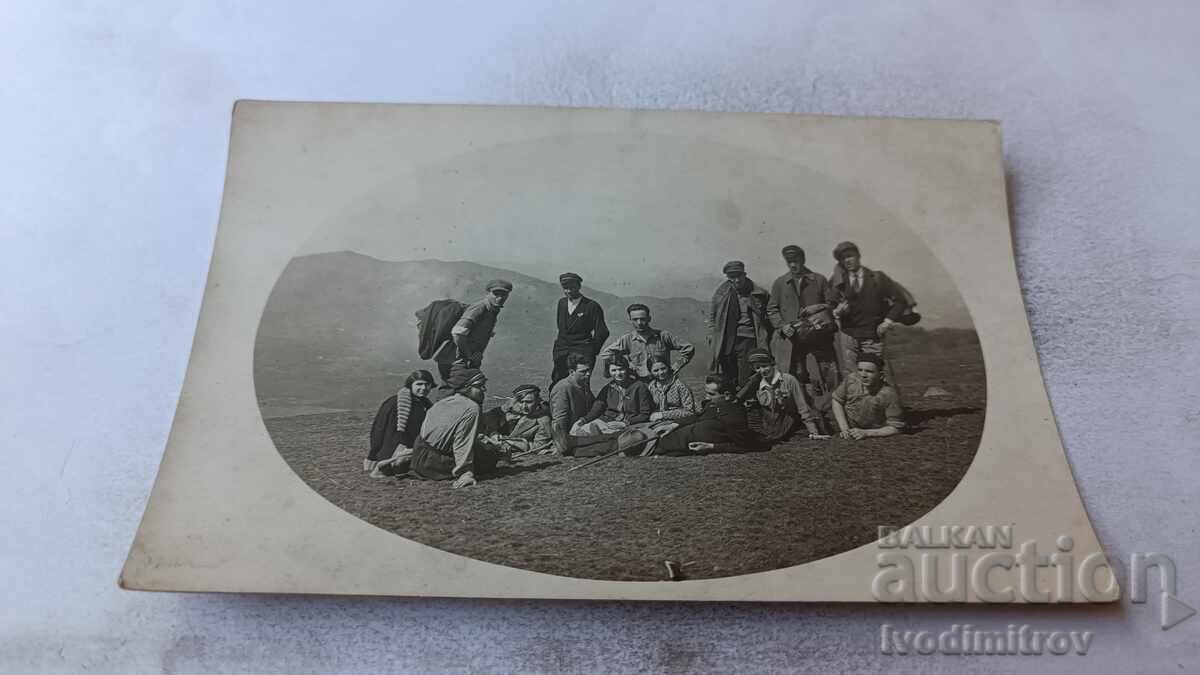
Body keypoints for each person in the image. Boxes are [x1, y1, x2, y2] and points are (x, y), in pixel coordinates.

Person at [766, 245, 840, 428]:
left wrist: (819, 307)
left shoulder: (819, 280)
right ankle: (805, 416)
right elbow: (772, 309)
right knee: (798, 375)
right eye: (789, 262)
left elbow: (833, 303)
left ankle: (829, 414)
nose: (793, 265)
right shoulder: (780, 283)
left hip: (818, 338)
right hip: (793, 341)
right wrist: (782, 326)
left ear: (803, 260)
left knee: (824, 374)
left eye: (796, 261)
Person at [828, 242, 911, 395]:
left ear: (858, 256)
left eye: (850, 256)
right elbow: (829, 305)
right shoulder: (837, 281)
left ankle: (882, 406)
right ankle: (858, 407)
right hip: (848, 336)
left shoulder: (877, 278)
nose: (848, 260)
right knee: (852, 376)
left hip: (872, 335)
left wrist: (887, 322)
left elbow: (900, 301)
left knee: (875, 374)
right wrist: (837, 311)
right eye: (843, 258)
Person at [409, 365, 504, 488]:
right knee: (491, 456)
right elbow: (462, 442)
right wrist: (466, 473)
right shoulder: (471, 408)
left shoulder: (443, 402)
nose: (483, 390)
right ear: (467, 387)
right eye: (479, 386)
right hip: (433, 465)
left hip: (418, 458)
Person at [655, 377, 772, 455]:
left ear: (727, 395)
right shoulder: (715, 403)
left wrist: (710, 447)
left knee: (647, 444)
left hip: (679, 444)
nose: (706, 397)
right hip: (677, 433)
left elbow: (744, 446)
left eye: (711, 394)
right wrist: (673, 425)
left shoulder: (734, 418)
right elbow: (699, 416)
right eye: (706, 393)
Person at [738, 348, 829, 442]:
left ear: (772, 363)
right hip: (768, 425)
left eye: (765, 366)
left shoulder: (789, 380)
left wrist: (813, 432)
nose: (762, 371)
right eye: (758, 368)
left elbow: (802, 407)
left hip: (788, 422)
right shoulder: (756, 383)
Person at [433, 279, 513, 385]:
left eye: (504, 294)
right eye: (496, 294)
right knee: (463, 389)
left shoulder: (492, 311)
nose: (500, 297)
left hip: (463, 361)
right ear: (487, 293)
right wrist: (469, 355)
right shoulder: (480, 307)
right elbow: (458, 332)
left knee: (462, 390)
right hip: (456, 361)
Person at [707, 260, 771, 390]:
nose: (737, 280)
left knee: (745, 377)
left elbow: (769, 314)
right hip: (726, 340)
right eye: (732, 277)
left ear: (744, 274)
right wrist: (712, 333)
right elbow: (713, 316)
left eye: (739, 276)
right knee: (728, 377)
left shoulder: (758, 294)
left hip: (748, 339)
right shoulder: (721, 293)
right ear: (728, 278)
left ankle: (745, 400)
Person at [365, 369, 435, 476]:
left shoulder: (425, 404)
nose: (423, 388)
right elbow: (379, 428)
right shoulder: (395, 403)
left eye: (427, 385)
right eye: (419, 384)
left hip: (412, 446)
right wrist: (373, 454)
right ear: (410, 385)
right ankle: (386, 465)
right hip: (395, 449)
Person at [598, 303, 695, 380]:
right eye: (635, 319)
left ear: (649, 319)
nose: (639, 323)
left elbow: (688, 348)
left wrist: (676, 366)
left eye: (643, 319)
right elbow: (606, 354)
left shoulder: (663, 336)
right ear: (630, 320)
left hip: (663, 380)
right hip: (639, 382)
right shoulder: (627, 339)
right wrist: (626, 365)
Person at [550, 272, 610, 387]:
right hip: (561, 351)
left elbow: (602, 331)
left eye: (572, 288)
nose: (568, 291)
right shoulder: (562, 303)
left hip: (582, 351)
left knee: (581, 384)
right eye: (565, 288)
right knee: (558, 382)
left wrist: (591, 350)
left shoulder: (592, 306)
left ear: (579, 286)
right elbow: (561, 327)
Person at [573, 355, 653, 436]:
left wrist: (624, 423)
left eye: (621, 369)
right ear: (609, 372)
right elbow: (596, 409)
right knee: (579, 431)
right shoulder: (608, 388)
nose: (618, 373)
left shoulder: (639, 387)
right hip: (607, 421)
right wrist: (583, 420)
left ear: (626, 369)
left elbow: (645, 414)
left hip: (629, 424)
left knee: (623, 437)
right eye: (614, 370)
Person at [832, 353, 905, 440]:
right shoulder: (852, 380)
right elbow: (837, 400)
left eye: (869, 371)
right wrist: (844, 428)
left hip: (871, 428)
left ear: (881, 375)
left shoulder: (889, 394)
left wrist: (867, 433)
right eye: (860, 370)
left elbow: (896, 428)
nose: (863, 375)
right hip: (845, 422)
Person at [478, 383, 555, 455]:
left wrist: (510, 443)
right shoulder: (509, 409)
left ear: (537, 401)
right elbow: (486, 419)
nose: (524, 406)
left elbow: (539, 446)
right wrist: (493, 433)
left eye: (529, 402)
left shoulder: (543, 420)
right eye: (521, 402)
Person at [548, 353, 598, 455]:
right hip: (571, 435)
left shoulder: (583, 383)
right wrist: (560, 444)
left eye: (589, 370)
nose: (588, 374)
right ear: (571, 372)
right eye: (583, 371)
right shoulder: (563, 388)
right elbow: (559, 420)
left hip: (582, 427)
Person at [646, 356, 698, 422]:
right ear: (650, 372)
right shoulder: (651, 387)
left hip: (679, 421)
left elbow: (690, 411)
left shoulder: (680, 386)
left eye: (663, 368)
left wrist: (663, 415)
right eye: (656, 370)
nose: (661, 372)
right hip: (657, 422)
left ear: (668, 367)